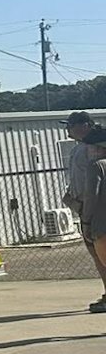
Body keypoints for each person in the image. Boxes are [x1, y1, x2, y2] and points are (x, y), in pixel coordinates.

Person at [63, 111, 106, 313]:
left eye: (71, 125)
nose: (68, 129)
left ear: (85, 126)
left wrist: (86, 215)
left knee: (100, 255)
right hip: (85, 205)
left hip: (94, 209)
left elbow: (92, 186)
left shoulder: (91, 150)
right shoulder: (79, 149)